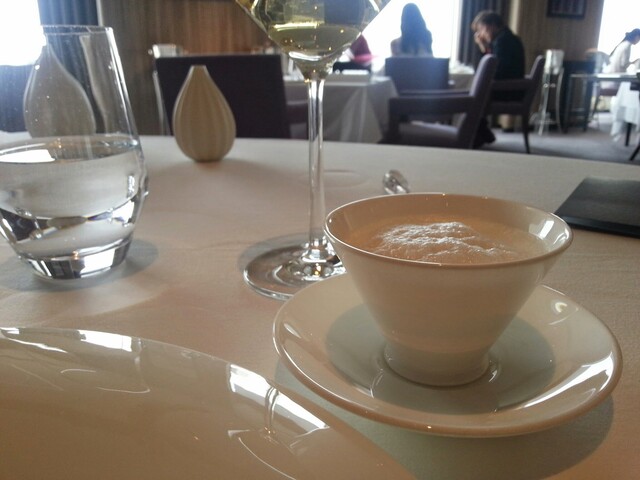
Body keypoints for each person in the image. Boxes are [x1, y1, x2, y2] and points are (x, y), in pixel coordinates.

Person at [471, 10, 525, 147]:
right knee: (475, 91)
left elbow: (495, 71)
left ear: (493, 25)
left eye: (482, 29)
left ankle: (477, 132)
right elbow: (492, 67)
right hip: (511, 88)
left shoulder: (503, 41)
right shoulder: (505, 39)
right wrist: (484, 47)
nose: (481, 34)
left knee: (473, 95)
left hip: (508, 91)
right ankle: (481, 130)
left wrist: (485, 48)